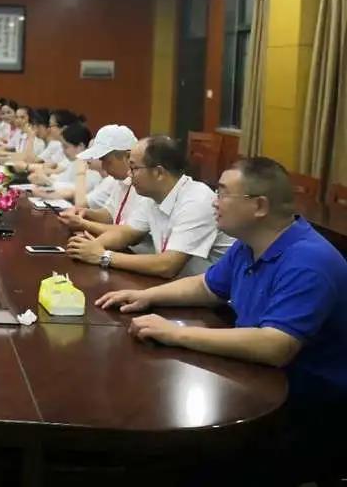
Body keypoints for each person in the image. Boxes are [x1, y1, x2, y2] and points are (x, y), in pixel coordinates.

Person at [96, 157, 347, 414]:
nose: (214, 202)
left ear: (259, 206)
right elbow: (206, 286)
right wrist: (146, 296)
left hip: (307, 402)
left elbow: (275, 346)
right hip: (259, 377)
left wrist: (174, 333)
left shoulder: (309, 261)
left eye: (223, 194)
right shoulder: (249, 243)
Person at [66, 135, 233, 278]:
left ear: (158, 173)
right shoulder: (152, 196)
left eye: (134, 168)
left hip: (214, 299)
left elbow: (168, 265)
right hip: (176, 285)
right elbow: (127, 233)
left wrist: (104, 256)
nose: (129, 174)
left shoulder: (197, 200)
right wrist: (93, 246)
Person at [58, 124, 152, 237]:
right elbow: (110, 214)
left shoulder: (145, 188)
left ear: (127, 157)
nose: (103, 167)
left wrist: (84, 224)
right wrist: (85, 212)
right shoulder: (118, 181)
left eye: (107, 161)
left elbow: (128, 232)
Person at [31, 122, 102, 202]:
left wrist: (47, 182)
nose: (63, 151)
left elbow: (73, 191)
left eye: (66, 147)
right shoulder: (74, 162)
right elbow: (62, 180)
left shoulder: (93, 169)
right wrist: (45, 180)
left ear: (80, 146)